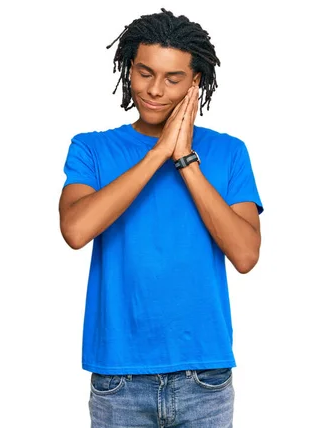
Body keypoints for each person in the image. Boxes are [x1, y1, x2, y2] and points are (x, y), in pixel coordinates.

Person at [59, 8, 264, 427]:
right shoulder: (91, 149)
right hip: (119, 380)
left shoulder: (229, 152)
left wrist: (185, 158)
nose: (154, 90)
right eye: (144, 72)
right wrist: (157, 154)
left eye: (173, 79)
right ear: (128, 70)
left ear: (196, 83)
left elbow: (245, 254)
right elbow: (76, 230)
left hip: (204, 378)